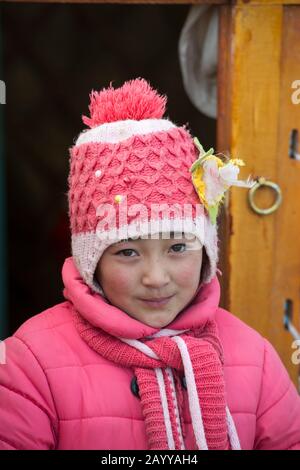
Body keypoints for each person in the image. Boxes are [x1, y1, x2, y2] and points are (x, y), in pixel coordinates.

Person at [0, 78, 299, 451]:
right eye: (127, 252)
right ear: (91, 261)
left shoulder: (255, 361)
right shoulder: (31, 364)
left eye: (177, 247)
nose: (155, 278)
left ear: (207, 252)